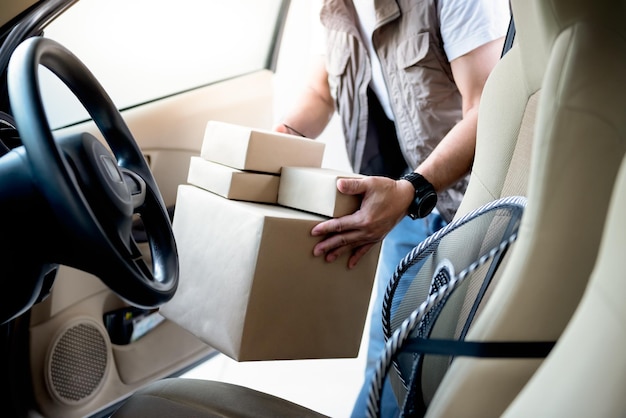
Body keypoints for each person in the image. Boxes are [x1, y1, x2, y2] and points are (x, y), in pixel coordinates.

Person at [274, 1, 510, 416]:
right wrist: (282, 137)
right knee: (388, 360)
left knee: (445, 366)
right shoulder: (335, 7)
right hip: (402, 199)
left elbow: (486, 108)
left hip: (474, 203)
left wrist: (413, 188)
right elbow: (320, 90)